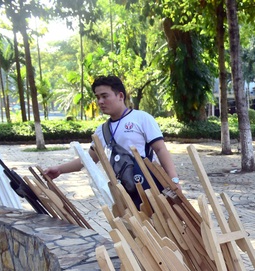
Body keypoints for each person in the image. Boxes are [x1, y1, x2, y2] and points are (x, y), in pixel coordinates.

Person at [44, 75, 180, 205]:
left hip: (150, 186)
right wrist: (60, 170)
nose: (100, 102)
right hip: (125, 191)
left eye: (104, 96)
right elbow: (86, 160)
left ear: (120, 96)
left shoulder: (142, 118)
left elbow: (160, 149)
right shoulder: (102, 130)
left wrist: (173, 180)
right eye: (97, 97)